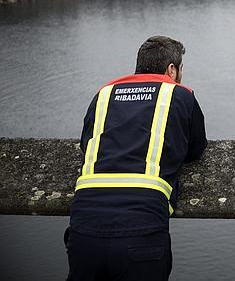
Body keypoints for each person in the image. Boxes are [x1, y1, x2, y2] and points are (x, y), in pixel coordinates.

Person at [66, 36, 207, 280]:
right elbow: (196, 149)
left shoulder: (103, 94)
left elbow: (86, 145)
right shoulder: (180, 94)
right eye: (181, 68)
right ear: (171, 69)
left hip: (84, 224)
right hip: (142, 224)